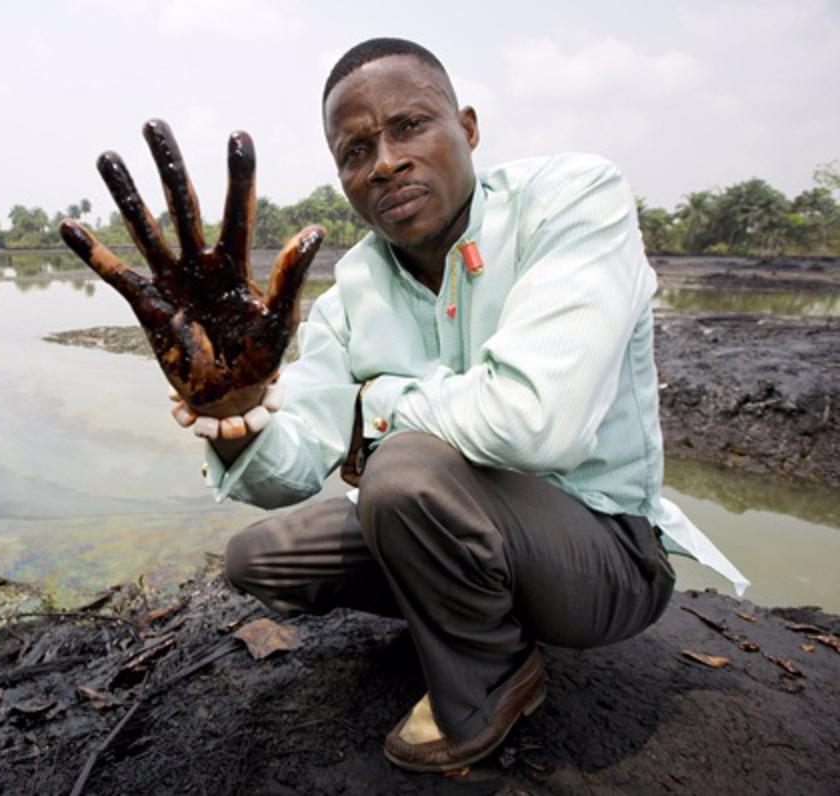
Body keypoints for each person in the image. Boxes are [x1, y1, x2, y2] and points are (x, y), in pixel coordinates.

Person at [61, 37, 747, 774]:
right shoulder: (355, 286)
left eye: (409, 127)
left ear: (469, 129)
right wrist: (237, 408)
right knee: (259, 556)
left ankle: (494, 675)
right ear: (343, 177)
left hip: (604, 556)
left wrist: (378, 405)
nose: (384, 161)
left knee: (404, 472)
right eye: (356, 150)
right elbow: (289, 471)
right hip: (460, 526)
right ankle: (467, 611)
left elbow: (535, 422)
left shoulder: (571, 199)